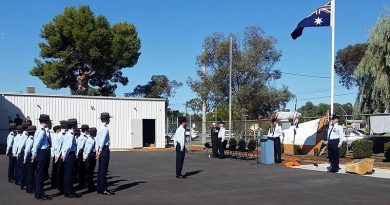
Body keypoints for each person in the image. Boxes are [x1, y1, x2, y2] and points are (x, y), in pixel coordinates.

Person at [31, 114, 52, 200]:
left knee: (39, 173)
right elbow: (36, 144)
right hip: (42, 152)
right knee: (40, 174)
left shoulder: (41, 130)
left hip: (42, 152)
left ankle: (38, 192)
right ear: (46, 122)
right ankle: (40, 193)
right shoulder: (41, 131)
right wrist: (33, 154)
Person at [61, 118, 80, 198]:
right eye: (76, 125)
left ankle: (66, 191)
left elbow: (64, 146)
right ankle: (70, 192)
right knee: (70, 174)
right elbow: (68, 147)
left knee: (67, 174)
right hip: (70, 155)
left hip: (67, 155)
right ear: (73, 126)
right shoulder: (71, 135)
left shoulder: (67, 134)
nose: (77, 126)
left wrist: (63, 155)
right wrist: (65, 156)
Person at [96, 112, 114, 195]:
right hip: (104, 149)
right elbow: (102, 140)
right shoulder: (105, 128)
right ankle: (104, 188)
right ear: (106, 119)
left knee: (100, 169)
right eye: (109, 118)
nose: (109, 120)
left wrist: (97, 150)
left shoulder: (99, 128)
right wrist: (100, 150)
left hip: (100, 149)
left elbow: (97, 140)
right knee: (104, 169)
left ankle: (99, 187)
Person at [54, 121, 67, 194]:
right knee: (61, 172)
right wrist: (57, 156)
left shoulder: (61, 134)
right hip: (61, 155)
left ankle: (61, 186)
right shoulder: (60, 135)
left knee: (61, 172)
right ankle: (60, 187)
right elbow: (58, 147)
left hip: (60, 155)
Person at [16, 122, 30, 189]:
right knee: (24, 169)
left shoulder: (22, 134)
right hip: (23, 152)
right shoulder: (25, 135)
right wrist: (18, 153)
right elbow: (21, 146)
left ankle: (22, 182)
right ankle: (23, 184)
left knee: (22, 168)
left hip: (21, 152)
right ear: (26, 128)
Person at [83, 127, 97, 191]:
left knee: (89, 171)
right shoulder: (91, 140)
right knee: (90, 171)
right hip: (91, 156)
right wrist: (85, 157)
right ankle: (90, 186)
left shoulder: (89, 139)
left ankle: (89, 185)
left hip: (89, 156)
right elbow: (88, 150)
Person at [24, 126, 36, 194]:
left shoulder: (30, 138)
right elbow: (27, 150)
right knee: (31, 173)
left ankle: (29, 187)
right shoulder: (31, 139)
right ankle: (30, 187)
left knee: (30, 172)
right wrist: (25, 158)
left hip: (30, 156)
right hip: (30, 156)